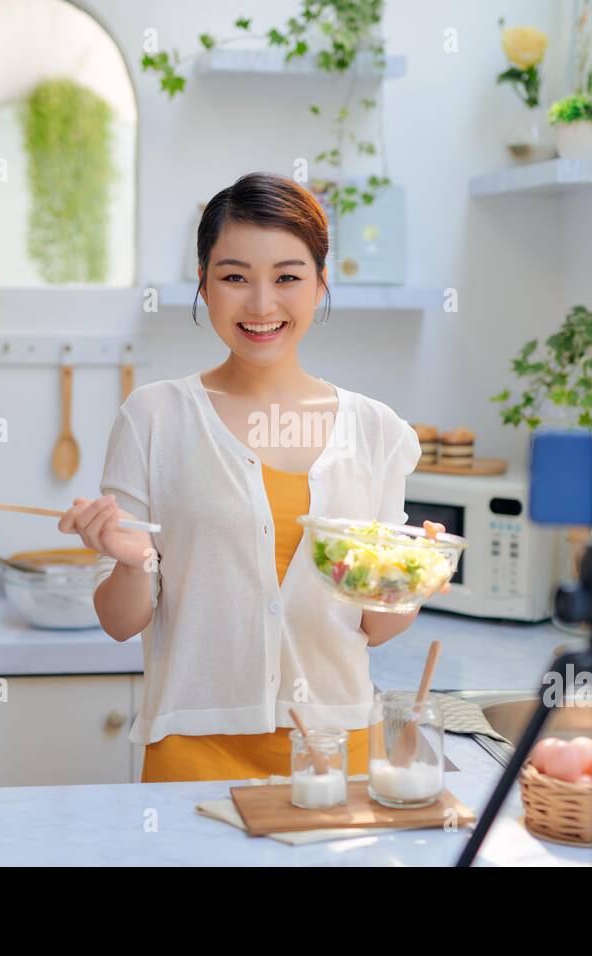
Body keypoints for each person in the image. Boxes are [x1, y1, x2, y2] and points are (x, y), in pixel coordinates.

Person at [59, 171, 444, 782]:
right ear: (204, 287)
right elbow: (119, 621)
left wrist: (411, 580)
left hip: (336, 751)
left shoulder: (375, 431)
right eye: (235, 277)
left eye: (287, 277)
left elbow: (374, 628)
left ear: (321, 285)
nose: (262, 304)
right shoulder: (154, 418)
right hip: (194, 749)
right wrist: (132, 562)